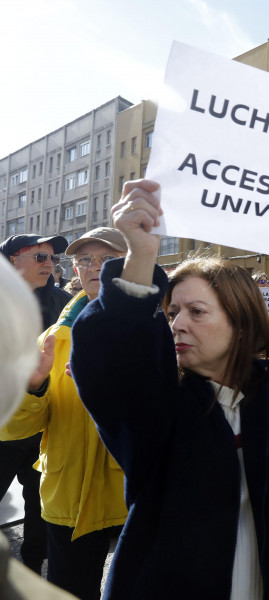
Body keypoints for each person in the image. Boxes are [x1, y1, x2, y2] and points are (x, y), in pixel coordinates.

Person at [69, 179, 269, 599]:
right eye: (171, 312)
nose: (177, 323)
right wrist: (141, 255)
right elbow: (110, 362)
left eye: (196, 311)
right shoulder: (157, 403)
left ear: (241, 324)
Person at [1, 228, 129, 600]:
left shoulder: (160, 328)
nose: (94, 268)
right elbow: (18, 428)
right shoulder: (54, 338)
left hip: (133, 494)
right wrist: (32, 388)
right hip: (68, 496)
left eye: (107, 260)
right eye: (85, 260)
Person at [0, 257, 76, 599]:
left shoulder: (64, 303)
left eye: (52, 257)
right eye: (40, 256)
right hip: (4, 427)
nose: (49, 263)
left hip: (44, 429)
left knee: (38, 508)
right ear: (14, 262)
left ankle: (30, 572)